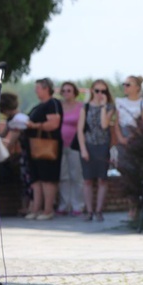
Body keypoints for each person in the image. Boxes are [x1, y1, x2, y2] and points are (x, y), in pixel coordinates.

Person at [23, 78, 64, 220]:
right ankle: (36, 209)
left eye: (38, 88)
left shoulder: (53, 103)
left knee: (48, 179)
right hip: (34, 148)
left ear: (46, 88)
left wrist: (35, 126)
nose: (36, 90)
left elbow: (54, 124)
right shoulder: (38, 106)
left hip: (47, 147)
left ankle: (48, 210)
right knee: (36, 179)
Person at [78, 80, 116, 222]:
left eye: (103, 91)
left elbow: (104, 125)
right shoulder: (85, 107)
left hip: (102, 146)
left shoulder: (110, 107)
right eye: (97, 90)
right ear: (92, 90)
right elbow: (80, 130)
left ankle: (99, 211)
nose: (100, 94)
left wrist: (102, 107)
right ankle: (89, 211)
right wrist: (83, 149)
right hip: (88, 145)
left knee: (102, 180)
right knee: (87, 180)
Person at [114, 75, 143, 220]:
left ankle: (135, 207)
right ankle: (128, 206)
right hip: (122, 139)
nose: (125, 87)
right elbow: (116, 122)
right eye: (124, 84)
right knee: (124, 172)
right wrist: (120, 138)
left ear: (137, 87)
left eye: (128, 84)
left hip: (136, 138)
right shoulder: (119, 102)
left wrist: (134, 137)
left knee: (135, 173)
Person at [56, 81, 84, 216]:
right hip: (60, 145)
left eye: (69, 90)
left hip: (75, 145)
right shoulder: (58, 106)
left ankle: (77, 205)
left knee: (76, 176)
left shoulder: (80, 107)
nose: (66, 93)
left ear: (74, 92)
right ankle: (64, 204)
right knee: (63, 176)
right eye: (64, 90)